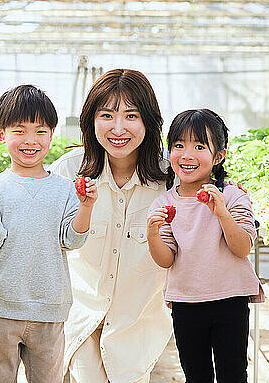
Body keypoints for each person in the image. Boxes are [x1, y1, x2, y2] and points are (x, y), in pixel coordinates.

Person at [0, 85, 97, 383]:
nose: (31, 141)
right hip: (0, 308)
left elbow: (72, 239)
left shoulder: (66, 189)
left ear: (52, 134)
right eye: (19, 131)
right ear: (1, 134)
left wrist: (86, 207)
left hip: (50, 310)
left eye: (40, 131)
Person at [50, 69, 172, 383]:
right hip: (81, 321)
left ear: (149, 121)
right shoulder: (67, 171)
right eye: (107, 115)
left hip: (141, 329)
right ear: (91, 120)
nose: (118, 128)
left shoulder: (170, 177)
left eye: (131, 115)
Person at [146, 108, 264, 383]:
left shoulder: (232, 196)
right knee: (195, 374)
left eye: (199, 146)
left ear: (218, 155)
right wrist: (152, 234)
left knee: (233, 373)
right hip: (186, 303)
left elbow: (243, 247)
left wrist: (221, 212)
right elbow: (165, 259)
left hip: (230, 300)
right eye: (179, 145)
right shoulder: (164, 203)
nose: (187, 155)